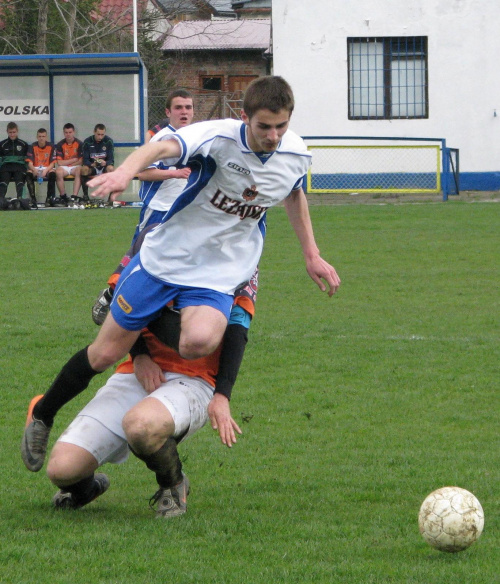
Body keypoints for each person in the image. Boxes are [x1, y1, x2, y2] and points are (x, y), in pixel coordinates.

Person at [21, 75, 340, 471]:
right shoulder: (218, 137)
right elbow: (161, 145)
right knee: (104, 353)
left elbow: (293, 191)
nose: (273, 136)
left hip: (219, 271)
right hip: (166, 258)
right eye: (264, 127)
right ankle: (43, 412)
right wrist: (125, 173)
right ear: (245, 117)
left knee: (199, 341)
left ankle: (168, 378)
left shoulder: (295, 153)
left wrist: (311, 254)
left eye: (281, 126)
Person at [38, 275, 255, 517]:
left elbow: (237, 330)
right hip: (138, 373)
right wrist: (140, 355)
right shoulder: (154, 242)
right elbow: (125, 305)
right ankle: (86, 490)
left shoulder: (235, 252)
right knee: (61, 470)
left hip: (195, 380)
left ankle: (172, 484)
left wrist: (222, 395)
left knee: (141, 425)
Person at [92, 89, 194, 325]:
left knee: (182, 260)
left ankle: (170, 309)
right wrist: (175, 173)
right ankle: (109, 297)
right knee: (140, 257)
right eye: (178, 108)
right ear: (168, 112)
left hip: (185, 212)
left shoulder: (197, 138)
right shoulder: (161, 140)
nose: (184, 112)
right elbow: (142, 173)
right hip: (158, 209)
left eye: (188, 107)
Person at [79, 123, 115, 203]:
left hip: (103, 167)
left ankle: (111, 198)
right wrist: (92, 164)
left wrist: (105, 162)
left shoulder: (108, 141)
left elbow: (111, 160)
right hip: (93, 167)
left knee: (111, 169)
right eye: (98, 134)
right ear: (94, 132)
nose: (100, 137)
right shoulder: (87, 142)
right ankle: (85, 196)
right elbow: (85, 160)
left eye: (102, 135)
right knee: (84, 169)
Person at [0, 122, 29, 210]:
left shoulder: (23, 144)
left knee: (20, 182)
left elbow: (27, 159)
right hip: (6, 167)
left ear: (17, 131)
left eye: (14, 132)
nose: (12, 134)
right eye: (10, 132)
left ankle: (21, 203)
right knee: (3, 183)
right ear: (7, 132)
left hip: (19, 167)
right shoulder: (2, 144)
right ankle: (1, 202)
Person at [25, 128, 56, 209]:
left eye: (43, 136)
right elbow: (29, 163)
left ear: (46, 137)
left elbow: (53, 163)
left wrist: (45, 171)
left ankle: (48, 199)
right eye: (40, 136)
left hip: (47, 167)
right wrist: (35, 170)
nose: (41, 138)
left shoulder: (51, 146)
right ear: (37, 137)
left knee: (53, 174)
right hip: (35, 167)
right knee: (28, 174)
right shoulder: (32, 146)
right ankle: (33, 198)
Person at [54, 123, 83, 205]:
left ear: (73, 132)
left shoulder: (79, 143)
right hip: (64, 167)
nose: (68, 134)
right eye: (66, 132)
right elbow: (59, 162)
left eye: (70, 132)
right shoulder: (60, 144)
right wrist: (73, 159)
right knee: (58, 172)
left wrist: (69, 162)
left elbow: (81, 161)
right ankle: (63, 196)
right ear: (64, 133)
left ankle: (74, 196)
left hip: (75, 166)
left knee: (79, 170)